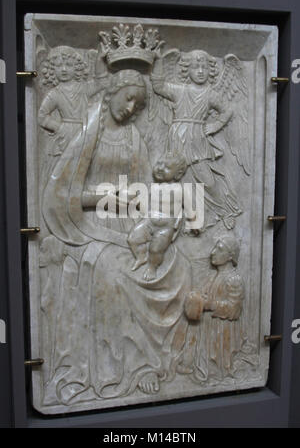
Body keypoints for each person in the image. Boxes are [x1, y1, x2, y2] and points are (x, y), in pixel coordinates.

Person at [42, 68, 193, 405]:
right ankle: (127, 367)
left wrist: (155, 215)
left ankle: (155, 363)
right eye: (128, 100)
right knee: (113, 272)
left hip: (131, 222)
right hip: (88, 227)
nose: (131, 109)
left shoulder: (133, 138)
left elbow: (145, 188)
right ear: (112, 92)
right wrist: (106, 196)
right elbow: (65, 194)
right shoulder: (87, 135)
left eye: (138, 106)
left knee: (178, 265)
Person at [151, 50, 242, 230]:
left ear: (211, 71)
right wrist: (158, 59)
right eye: (195, 67)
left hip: (197, 138)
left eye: (204, 67)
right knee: (180, 180)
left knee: (206, 180)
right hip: (177, 137)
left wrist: (215, 126)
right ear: (187, 70)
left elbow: (228, 110)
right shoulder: (179, 90)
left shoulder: (210, 94)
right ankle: (191, 221)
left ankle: (225, 211)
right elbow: (158, 86)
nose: (200, 71)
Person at [127, 150, 200, 280]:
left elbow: (190, 207)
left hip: (165, 228)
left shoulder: (180, 190)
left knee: (156, 250)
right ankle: (141, 256)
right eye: (159, 164)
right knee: (132, 239)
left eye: (167, 167)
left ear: (178, 174)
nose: (160, 168)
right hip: (149, 222)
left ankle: (152, 268)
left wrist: (194, 223)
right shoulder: (153, 187)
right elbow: (143, 202)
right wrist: (135, 202)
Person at [182, 235, 245, 380]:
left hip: (223, 331)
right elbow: (204, 295)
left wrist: (211, 304)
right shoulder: (212, 277)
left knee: (218, 368)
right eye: (215, 247)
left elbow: (235, 310)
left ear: (230, 256)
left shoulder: (233, 280)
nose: (212, 252)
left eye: (219, 249)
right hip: (209, 329)